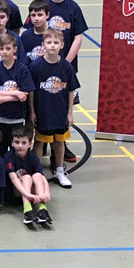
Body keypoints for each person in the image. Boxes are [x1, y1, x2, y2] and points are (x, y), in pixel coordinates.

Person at [32, 0, 87, 164]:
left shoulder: (73, 8)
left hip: (64, 67)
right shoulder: (41, 7)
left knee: (63, 106)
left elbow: (79, 36)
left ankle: (61, 146)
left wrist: (67, 62)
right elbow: (33, 33)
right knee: (43, 105)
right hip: (44, 67)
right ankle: (43, 144)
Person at [28, 29, 79, 188]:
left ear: (62, 45)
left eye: (56, 43)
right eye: (49, 42)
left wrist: (70, 113)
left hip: (60, 111)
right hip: (43, 111)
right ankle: (37, 173)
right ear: (43, 45)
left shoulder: (66, 67)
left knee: (59, 141)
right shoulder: (36, 66)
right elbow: (31, 91)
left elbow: (71, 90)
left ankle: (59, 170)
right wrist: (32, 111)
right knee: (39, 141)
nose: (52, 45)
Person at [0, 32, 33, 157]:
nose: (4, 51)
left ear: (15, 49)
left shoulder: (22, 69)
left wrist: (5, 98)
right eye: (1, 48)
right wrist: (16, 93)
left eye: (8, 48)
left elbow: (24, 95)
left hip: (16, 118)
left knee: (15, 152)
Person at [6, 127, 52, 225]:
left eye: (23, 143)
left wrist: (47, 193)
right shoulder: (9, 157)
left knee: (37, 175)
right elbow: (14, 179)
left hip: (31, 195)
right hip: (15, 193)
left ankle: (42, 209)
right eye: (17, 142)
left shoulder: (33, 158)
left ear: (30, 144)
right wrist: (27, 194)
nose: (20, 146)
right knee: (27, 177)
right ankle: (27, 211)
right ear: (12, 143)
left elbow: (42, 178)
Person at [20, 0, 51, 64]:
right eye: (33, 15)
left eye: (40, 15)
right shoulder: (25, 36)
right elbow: (22, 59)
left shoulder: (54, 35)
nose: (36, 18)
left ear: (47, 15)